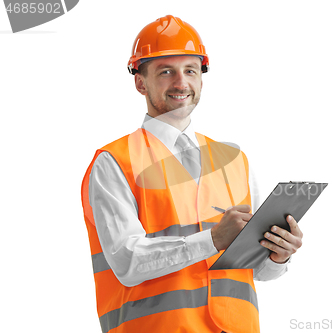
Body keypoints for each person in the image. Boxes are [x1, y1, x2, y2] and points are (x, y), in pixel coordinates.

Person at [81, 15, 303, 333]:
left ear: (201, 78)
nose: (181, 83)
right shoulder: (114, 161)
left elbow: (257, 271)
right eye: (166, 71)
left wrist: (277, 255)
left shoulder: (235, 161)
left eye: (190, 70)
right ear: (140, 82)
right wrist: (212, 239)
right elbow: (126, 261)